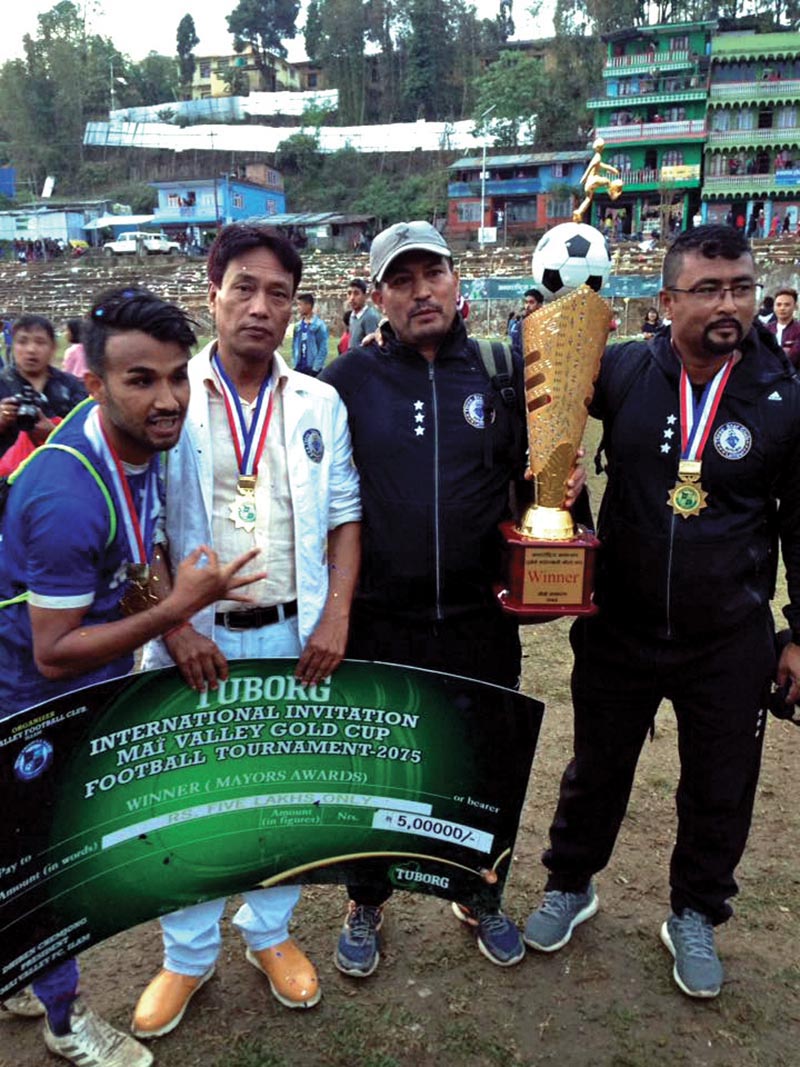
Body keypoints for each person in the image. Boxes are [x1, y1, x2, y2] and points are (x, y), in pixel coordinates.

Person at [523, 225, 800, 1001]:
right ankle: (570, 883)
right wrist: (557, 477)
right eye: (709, 289)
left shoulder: (782, 396)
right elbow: (552, 423)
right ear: (666, 299)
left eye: (742, 287)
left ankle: (696, 911)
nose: (730, 304)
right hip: (621, 621)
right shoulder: (619, 370)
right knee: (596, 767)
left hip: (729, 633)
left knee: (721, 782)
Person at [0, 287, 263, 1067]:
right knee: (53, 857)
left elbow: (131, 565)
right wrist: (178, 609)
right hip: (32, 698)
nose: (168, 398)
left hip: (88, 681)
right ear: (95, 385)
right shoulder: (65, 492)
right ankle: (62, 1015)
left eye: (178, 376)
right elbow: (53, 649)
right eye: (141, 380)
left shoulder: (142, 450)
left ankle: (21, 963)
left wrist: (168, 613)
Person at [320, 220, 586, 978]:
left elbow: (541, 481)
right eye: (400, 280)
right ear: (377, 297)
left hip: (477, 620)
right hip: (381, 620)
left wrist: (564, 491)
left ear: (456, 280)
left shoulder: (503, 372)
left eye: (431, 272)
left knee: (481, 766)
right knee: (379, 767)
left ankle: (477, 889)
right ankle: (367, 895)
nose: (420, 290)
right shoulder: (346, 382)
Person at [133, 223, 361, 1038]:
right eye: (244, 289)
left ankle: (268, 933)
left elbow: (344, 517)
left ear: (296, 306)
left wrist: (333, 613)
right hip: (193, 639)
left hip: (294, 636)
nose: (260, 308)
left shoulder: (318, 401)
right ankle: (187, 953)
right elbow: (141, 527)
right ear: (212, 296)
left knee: (280, 791)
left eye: (278, 293)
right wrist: (170, 620)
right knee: (188, 798)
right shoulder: (169, 396)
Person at [0, 314, 87, 458]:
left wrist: (54, 432)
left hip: (60, 471)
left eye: (40, 342)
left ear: (53, 347)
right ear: (13, 346)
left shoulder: (72, 387)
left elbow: (89, 437)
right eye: (22, 342)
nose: (31, 349)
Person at [291, 291, 329, 377]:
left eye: (300, 305)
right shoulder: (298, 327)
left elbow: (323, 348)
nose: (298, 308)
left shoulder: (319, 325)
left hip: (312, 369)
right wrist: (294, 364)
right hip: (299, 368)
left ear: (308, 306)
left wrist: (316, 368)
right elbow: (294, 346)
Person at [767, 286, 800, 366]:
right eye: (778, 305)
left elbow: (793, 357)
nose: (782, 308)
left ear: (795, 306)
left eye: (787, 305)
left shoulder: (798, 330)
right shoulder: (765, 329)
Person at [509, 288, 544, 360]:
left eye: (531, 302)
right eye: (526, 302)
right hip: (517, 359)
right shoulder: (518, 321)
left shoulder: (543, 322)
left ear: (539, 305)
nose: (527, 306)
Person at [346, 277, 380, 350]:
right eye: (349, 293)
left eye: (356, 293)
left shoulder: (370, 317)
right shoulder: (352, 316)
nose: (352, 298)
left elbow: (373, 348)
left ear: (365, 296)